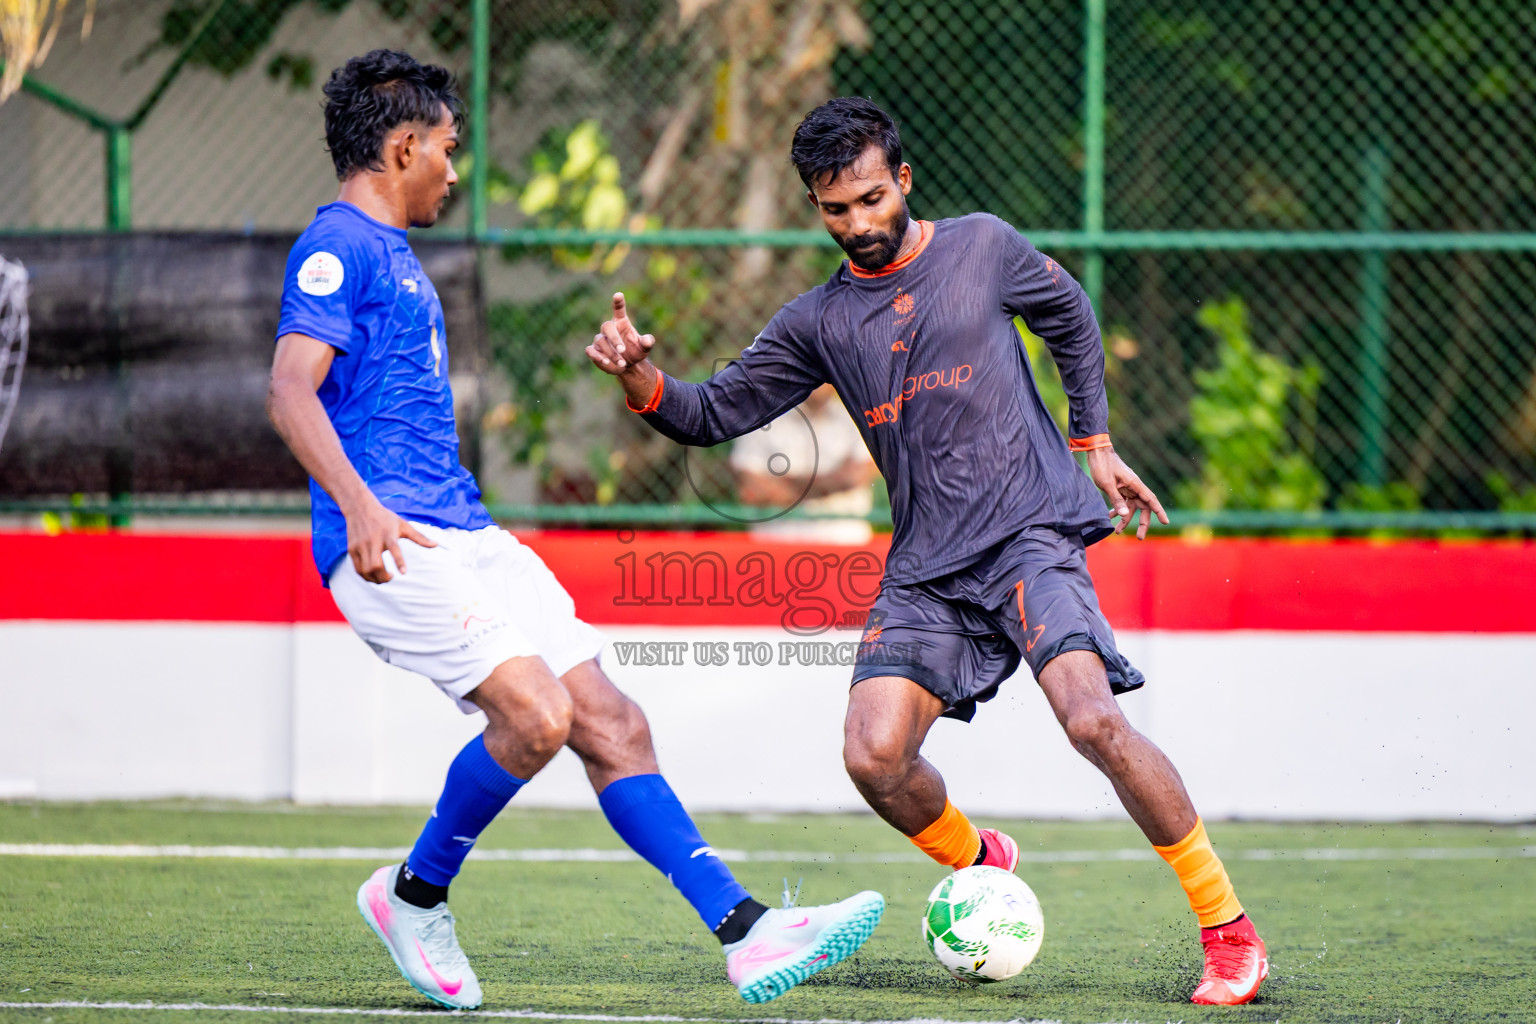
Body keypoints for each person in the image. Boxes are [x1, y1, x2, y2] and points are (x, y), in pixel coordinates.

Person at [587, 96, 1268, 1007]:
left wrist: (1092, 443)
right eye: (837, 209)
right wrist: (640, 376)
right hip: (925, 572)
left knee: (1093, 723)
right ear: (816, 207)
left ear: (903, 179)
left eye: (872, 198)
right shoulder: (819, 322)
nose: (860, 224)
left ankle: (1228, 932)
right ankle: (981, 861)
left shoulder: (982, 247)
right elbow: (709, 413)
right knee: (872, 757)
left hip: (1028, 537)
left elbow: (1068, 314)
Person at [265, 52, 883, 1011]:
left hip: (465, 532)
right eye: (446, 150)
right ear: (402, 145)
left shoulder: (392, 253)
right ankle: (413, 896)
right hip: (391, 545)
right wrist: (359, 504)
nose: (454, 171)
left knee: (613, 722)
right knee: (537, 718)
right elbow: (287, 392)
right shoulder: (337, 247)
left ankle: (747, 930)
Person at [731, 382, 878, 544]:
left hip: (845, 546)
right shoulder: (761, 419)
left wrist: (783, 485)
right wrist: (832, 483)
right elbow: (753, 490)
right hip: (775, 546)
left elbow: (853, 478)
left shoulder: (858, 418)